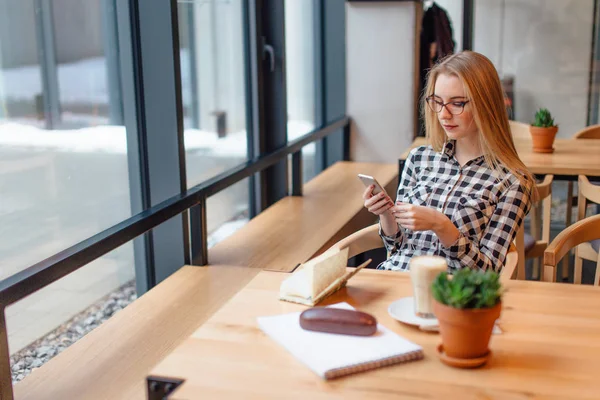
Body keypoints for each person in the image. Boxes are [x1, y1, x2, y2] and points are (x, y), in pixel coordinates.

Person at [363, 51, 534, 272]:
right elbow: (396, 247)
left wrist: (441, 225)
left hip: (449, 295)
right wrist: (386, 214)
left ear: (486, 105)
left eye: (457, 103)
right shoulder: (419, 159)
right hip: (395, 281)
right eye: (437, 102)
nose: (443, 114)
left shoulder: (513, 182)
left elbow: (485, 273)